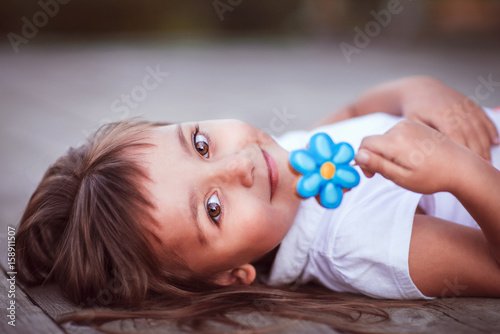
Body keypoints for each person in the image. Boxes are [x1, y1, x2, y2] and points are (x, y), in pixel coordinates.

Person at [15, 76, 500, 332]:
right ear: (231, 275)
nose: (240, 164)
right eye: (213, 209)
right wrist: (463, 173)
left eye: (202, 145)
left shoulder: (284, 160)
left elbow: (356, 112)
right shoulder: (354, 243)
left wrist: (422, 91)